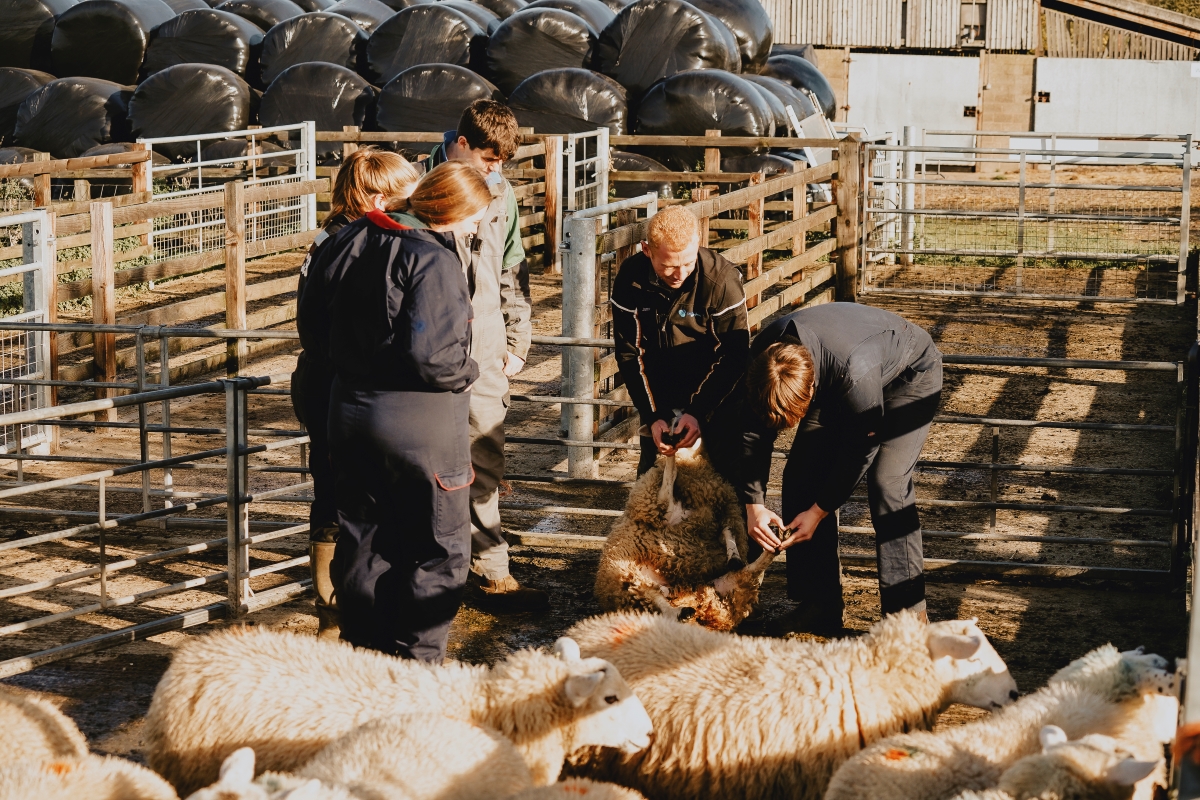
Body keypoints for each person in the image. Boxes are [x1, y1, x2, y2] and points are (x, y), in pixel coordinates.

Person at [300, 161, 489, 662]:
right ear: (450, 211)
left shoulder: (346, 238)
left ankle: (365, 657)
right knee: (437, 547)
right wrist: (471, 373)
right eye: (474, 218)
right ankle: (418, 667)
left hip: (350, 411)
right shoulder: (433, 258)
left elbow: (311, 328)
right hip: (419, 425)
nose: (474, 229)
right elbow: (434, 358)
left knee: (364, 536)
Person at [740, 303, 943, 635]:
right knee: (802, 475)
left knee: (887, 484)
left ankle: (908, 618)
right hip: (837, 374)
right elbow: (750, 431)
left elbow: (861, 448)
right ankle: (819, 604)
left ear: (811, 391)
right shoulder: (762, 361)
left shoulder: (853, 372)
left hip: (909, 378)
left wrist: (819, 512)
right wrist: (754, 504)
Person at [292, 148, 421, 639]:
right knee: (349, 500)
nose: (411, 209)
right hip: (344, 387)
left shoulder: (328, 235)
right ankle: (342, 614)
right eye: (402, 198)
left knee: (332, 495)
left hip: (323, 382)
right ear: (373, 195)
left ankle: (335, 613)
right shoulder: (362, 241)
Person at [427, 100, 544, 611]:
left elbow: (511, 268)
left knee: (485, 455)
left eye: (502, 164)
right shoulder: (419, 186)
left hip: (486, 343)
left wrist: (517, 338)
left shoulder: (503, 195)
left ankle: (493, 571)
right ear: (462, 144)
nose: (495, 173)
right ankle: (433, 571)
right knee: (427, 460)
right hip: (431, 346)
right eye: (488, 160)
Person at [609, 205, 749, 484]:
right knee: (655, 488)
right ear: (647, 250)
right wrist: (653, 416)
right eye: (668, 265)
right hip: (660, 395)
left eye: (687, 263)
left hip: (716, 396)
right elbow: (630, 352)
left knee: (722, 488)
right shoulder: (631, 278)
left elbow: (734, 354)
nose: (679, 273)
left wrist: (698, 411)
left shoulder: (721, 281)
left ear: (698, 244)